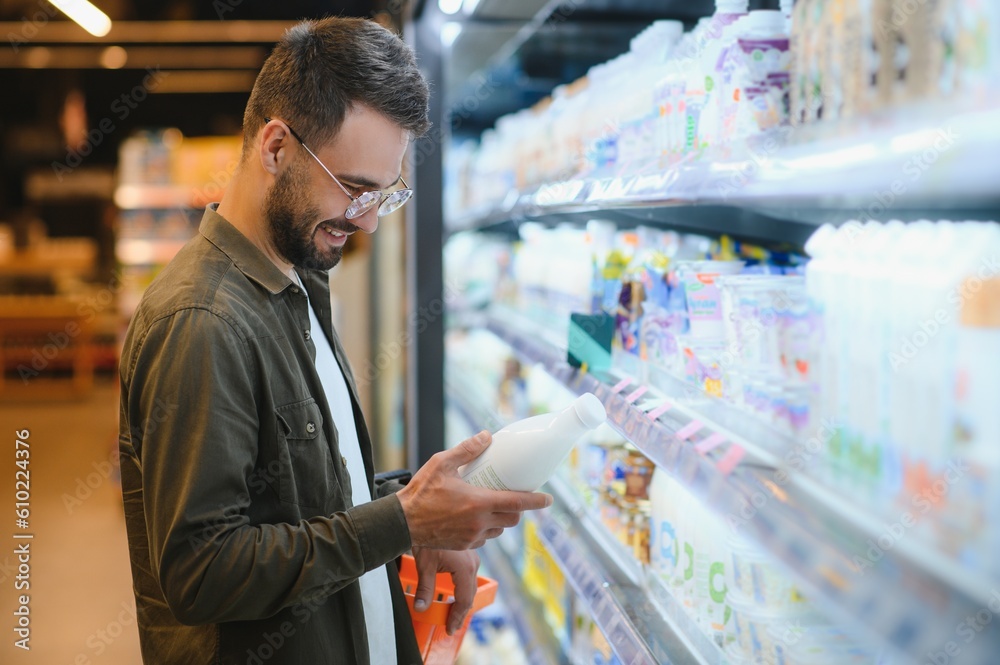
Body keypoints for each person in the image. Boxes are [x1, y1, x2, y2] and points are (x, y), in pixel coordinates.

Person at [118, 17, 551, 665]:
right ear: (274, 148)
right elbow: (202, 573)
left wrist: (416, 513)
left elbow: (305, 496)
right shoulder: (202, 320)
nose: (369, 218)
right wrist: (403, 520)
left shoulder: (301, 281)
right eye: (354, 188)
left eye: (386, 194)